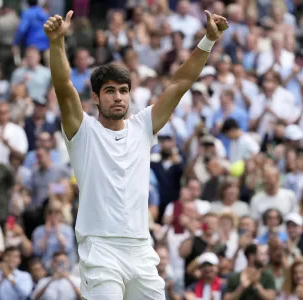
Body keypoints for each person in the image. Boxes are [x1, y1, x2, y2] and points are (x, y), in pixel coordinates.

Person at [43, 8, 228, 300]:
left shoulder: (143, 126)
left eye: (124, 90)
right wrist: (56, 43)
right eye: (110, 91)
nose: (118, 97)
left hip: (141, 249)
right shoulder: (83, 130)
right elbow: (64, 87)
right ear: (95, 97)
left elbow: (180, 83)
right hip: (100, 249)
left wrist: (208, 40)